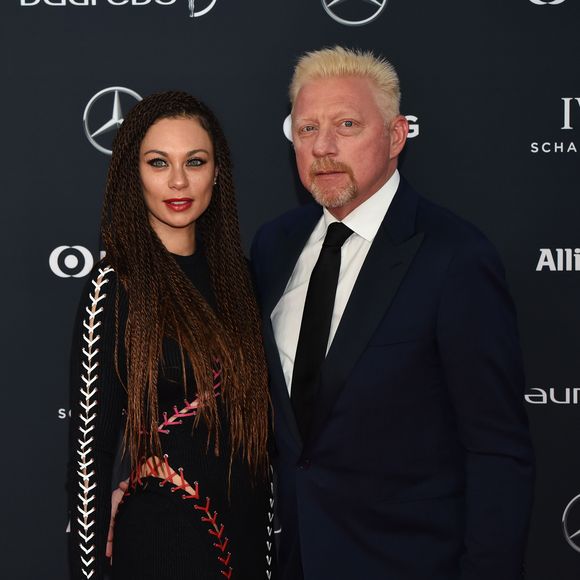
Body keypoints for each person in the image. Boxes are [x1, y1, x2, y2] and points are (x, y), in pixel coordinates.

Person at [250, 46, 534, 579]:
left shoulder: (456, 257)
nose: (323, 147)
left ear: (397, 136)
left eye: (347, 124)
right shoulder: (273, 246)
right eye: (306, 129)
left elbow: (498, 452)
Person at [67, 91, 276, 580]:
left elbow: (266, 448)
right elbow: (87, 462)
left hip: (249, 551)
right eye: (158, 162)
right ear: (132, 174)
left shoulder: (245, 281)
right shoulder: (114, 285)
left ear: (217, 172)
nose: (178, 181)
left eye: (195, 162)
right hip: (160, 550)